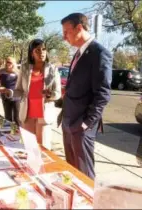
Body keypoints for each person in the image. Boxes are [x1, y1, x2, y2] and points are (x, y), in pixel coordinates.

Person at [60, 13, 112, 180]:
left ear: (79, 28)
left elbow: (102, 94)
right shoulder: (78, 53)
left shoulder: (99, 53)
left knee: (84, 174)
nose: (64, 37)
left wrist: (86, 123)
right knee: (71, 170)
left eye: (66, 32)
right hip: (68, 122)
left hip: (81, 126)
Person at [5, 39, 61, 150]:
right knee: (28, 147)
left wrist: (50, 94)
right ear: (32, 53)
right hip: (27, 114)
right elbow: (19, 90)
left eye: (44, 49)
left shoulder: (52, 69)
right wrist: (10, 92)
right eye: (38, 50)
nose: (42, 52)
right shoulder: (25, 68)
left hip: (44, 115)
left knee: (43, 148)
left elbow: (58, 93)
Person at [0, 57, 20, 125]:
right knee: (7, 117)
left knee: (17, 118)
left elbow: (21, 85)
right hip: (5, 96)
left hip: (16, 97)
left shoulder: (18, 72)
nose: (8, 64)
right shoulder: (1, 71)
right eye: (7, 62)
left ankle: (17, 133)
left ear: (14, 64)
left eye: (10, 62)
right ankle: (9, 133)